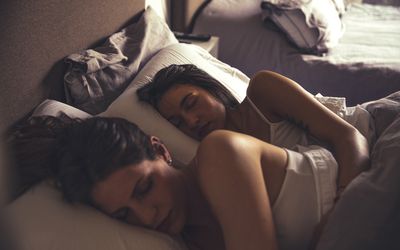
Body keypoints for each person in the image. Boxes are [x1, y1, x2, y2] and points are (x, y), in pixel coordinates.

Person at [10, 115, 335, 250]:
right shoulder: (184, 238)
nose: (146, 216)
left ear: (160, 150)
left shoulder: (219, 154)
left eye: (144, 187)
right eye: (125, 215)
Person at [137, 64, 370, 197]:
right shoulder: (220, 163)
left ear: (210, 89)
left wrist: (342, 205)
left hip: (375, 131)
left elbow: (350, 136)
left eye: (190, 103)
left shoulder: (263, 91)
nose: (191, 121)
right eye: (177, 122)